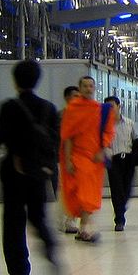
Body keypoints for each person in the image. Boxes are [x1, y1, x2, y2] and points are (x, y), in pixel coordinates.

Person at [0, 60, 61, 275]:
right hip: (38, 172)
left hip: (14, 170)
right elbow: (55, 140)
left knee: (13, 221)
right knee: (38, 215)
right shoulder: (48, 108)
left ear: (15, 81)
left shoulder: (9, 107)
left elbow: (3, 138)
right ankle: (50, 245)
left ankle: (20, 272)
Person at [60, 76, 115, 243]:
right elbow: (68, 136)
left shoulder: (100, 109)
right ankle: (87, 228)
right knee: (83, 192)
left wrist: (102, 148)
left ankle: (84, 228)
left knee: (90, 192)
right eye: (85, 86)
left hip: (94, 157)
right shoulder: (73, 109)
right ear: (80, 88)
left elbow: (108, 132)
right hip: (78, 155)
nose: (88, 89)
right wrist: (68, 160)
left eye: (91, 86)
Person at [104, 96, 138, 231]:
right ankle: (119, 219)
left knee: (127, 189)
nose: (110, 109)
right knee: (116, 189)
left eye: (112, 106)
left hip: (128, 159)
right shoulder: (104, 126)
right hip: (113, 160)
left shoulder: (129, 123)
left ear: (118, 106)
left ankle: (121, 208)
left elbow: (136, 140)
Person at [57, 86, 79, 234]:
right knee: (64, 189)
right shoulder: (60, 116)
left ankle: (71, 219)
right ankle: (64, 219)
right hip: (62, 159)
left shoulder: (83, 115)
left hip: (79, 158)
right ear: (67, 98)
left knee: (77, 190)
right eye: (74, 96)